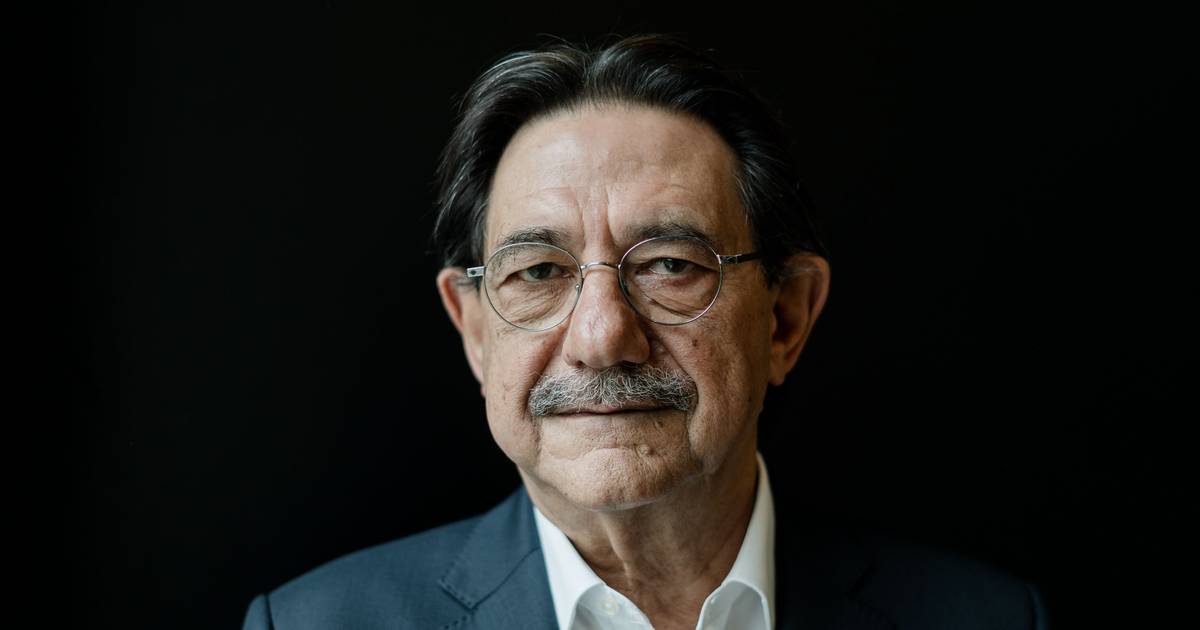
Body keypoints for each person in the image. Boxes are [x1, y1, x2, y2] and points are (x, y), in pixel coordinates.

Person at [242, 34, 1047, 630]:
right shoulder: (315, 624)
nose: (601, 337)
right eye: (539, 272)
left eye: (669, 265)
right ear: (475, 331)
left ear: (786, 318)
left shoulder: (988, 620)